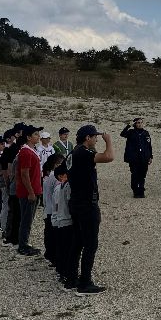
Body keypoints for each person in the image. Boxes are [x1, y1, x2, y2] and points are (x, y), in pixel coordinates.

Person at [67, 125, 114, 295]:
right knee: (90, 243)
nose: (96, 140)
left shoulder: (73, 153)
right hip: (86, 204)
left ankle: (71, 278)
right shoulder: (82, 152)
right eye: (95, 137)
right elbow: (109, 157)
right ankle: (85, 282)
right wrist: (108, 141)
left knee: (78, 241)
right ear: (88, 137)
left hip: (77, 202)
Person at [16, 125, 44, 257]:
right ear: (28, 137)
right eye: (35, 134)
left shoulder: (32, 150)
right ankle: (23, 245)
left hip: (35, 189)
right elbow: (24, 173)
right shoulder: (26, 152)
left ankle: (24, 242)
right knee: (26, 219)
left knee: (29, 219)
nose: (38, 136)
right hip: (29, 192)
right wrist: (31, 192)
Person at [50, 163, 73, 289]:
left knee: (62, 247)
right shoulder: (62, 188)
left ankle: (62, 270)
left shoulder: (60, 187)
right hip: (64, 220)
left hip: (59, 220)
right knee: (65, 248)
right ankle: (65, 272)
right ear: (61, 176)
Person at [41, 153, 65, 265]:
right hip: (52, 210)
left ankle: (50, 254)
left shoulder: (48, 176)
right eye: (58, 164)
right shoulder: (54, 177)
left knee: (50, 233)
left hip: (48, 209)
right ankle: (52, 256)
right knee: (53, 235)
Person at [121, 118, 153, 198]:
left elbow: (149, 146)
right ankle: (135, 191)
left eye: (141, 123)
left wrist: (150, 156)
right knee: (135, 174)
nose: (139, 124)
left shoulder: (146, 133)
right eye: (137, 123)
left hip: (144, 158)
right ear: (135, 124)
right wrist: (128, 125)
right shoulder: (131, 132)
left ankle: (141, 191)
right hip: (134, 158)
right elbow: (122, 134)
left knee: (142, 175)